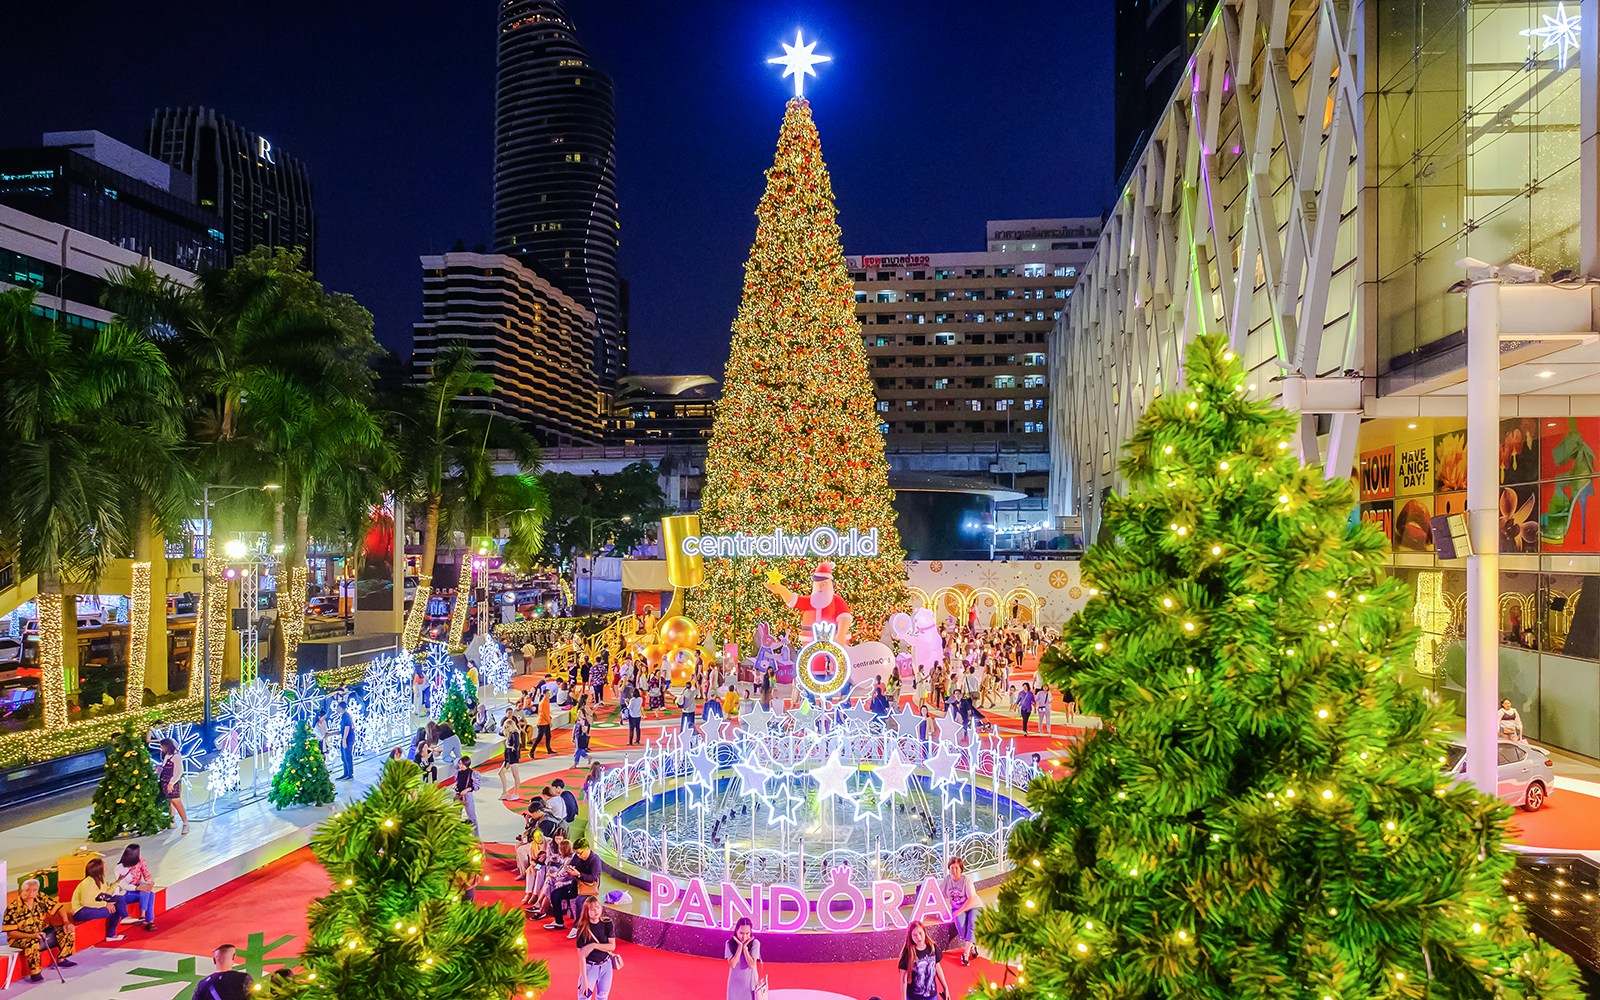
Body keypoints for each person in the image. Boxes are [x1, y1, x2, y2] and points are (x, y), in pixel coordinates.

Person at [3, 878, 77, 983]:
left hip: (42, 932)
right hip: (22, 938)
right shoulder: (13, 908)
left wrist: (66, 922)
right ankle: (35, 973)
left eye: (34, 890)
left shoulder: (40, 898)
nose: (31, 893)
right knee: (32, 943)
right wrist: (32, 936)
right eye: (27, 890)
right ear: (21, 891)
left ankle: (62, 959)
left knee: (66, 930)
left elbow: (59, 907)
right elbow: (11, 933)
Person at [546, 838, 601, 936]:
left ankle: (577, 926)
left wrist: (578, 874)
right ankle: (559, 921)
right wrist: (569, 870)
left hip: (588, 888)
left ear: (587, 848)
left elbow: (592, 878)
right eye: (577, 853)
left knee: (579, 901)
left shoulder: (595, 860)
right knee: (555, 894)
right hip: (575, 885)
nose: (579, 855)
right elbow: (572, 864)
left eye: (580, 853)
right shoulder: (577, 857)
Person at [72, 857, 128, 941]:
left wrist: (117, 882)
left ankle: (125, 918)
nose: (105, 865)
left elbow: (105, 895)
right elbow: (85, 902)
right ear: (99, 868)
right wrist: (105, 904)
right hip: (81, 911)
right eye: (103, 863)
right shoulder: (88, 882)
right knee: (114, 909)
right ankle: (111, 935)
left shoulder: (101, 880)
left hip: (92, 905)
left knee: (118, 899)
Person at [574, 895, 619, 999]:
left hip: (606, 965)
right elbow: (582, 956)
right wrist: (584, 979)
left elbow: (612, 946)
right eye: (592, 909)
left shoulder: (607, 923)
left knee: (603, 996)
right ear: (586, 911)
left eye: (598, 907)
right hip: (590, 967)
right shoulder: (583, 929)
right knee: (584, 996)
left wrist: (593, 946)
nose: (596, 911)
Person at [898, 920, 948, 1000]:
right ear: (910, 937)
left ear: (924, 932)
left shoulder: (933, 948)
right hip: (914, 997)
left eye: (920, 933)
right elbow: (903, 979)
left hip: (932, 995)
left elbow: (938, 968)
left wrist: (945, 988)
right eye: (915, 935)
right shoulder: (908, 953)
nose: (919, 937)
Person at [943, 858, 980, 965]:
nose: (954, 870)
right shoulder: (947, 879)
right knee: (961, 927)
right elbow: (939, 892)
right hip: (957, 908)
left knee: (972, 924)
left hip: (973, 906)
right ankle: (972, 945)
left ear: (961, 869)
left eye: (956, 868)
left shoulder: (966, 880)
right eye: (952, 868)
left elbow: (972, 898)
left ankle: (966, 954)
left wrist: (961, 911)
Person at [114, 843, 157, 931]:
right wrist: (137, 888)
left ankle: (144, 917)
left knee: (148, 892)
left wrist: (150, 883)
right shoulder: (120, 868)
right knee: (147, 893)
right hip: (125, 892)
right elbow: (123, 885)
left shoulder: (141, 861)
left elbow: (146, 874)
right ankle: (148, 920)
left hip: (137, 887)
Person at [157, 737, 190, 834]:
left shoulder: (176, 756)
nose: (161, 748)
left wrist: (172, 782)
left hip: (172, 782)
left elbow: (179, 771)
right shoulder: (167, 755)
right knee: (170, 802)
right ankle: (171, 821)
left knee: (176, 801)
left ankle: (185, 823)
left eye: (162, 746)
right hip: (165, 780)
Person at [725, 916, 763, 1000]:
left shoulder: (755, 943)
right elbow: (733, 964)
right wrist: (740, 947)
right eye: (741, 933)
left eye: (747, 933)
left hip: (750, 984)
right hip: (734, 984)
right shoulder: (729, 943)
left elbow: (751, 964)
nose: (744, 937)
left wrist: (745, 948)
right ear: (736, 931)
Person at [499, 713, 525, 800]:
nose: (506, 728)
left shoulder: (515, 734)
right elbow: (500, 733)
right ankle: (504, 792)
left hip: (513, 758)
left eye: (508, 727)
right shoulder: (509, 735)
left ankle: (516, 793)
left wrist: (509, 761)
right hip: (508, 758)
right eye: (505, 727)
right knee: (501, 772)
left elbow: (516, 747)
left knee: (515, 775)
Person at [455, 756, 481, 837]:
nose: (460, 766)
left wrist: (467, 790)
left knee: (471, 816)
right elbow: (458, 782)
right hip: (458, 795)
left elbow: (476, 787)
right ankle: (457, 834)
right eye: (460, 764)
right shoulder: (458, 773)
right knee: (456, 815)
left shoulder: (472, 773)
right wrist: (456, 786)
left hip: (467, 796)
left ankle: (476, 836)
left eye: (462, 764)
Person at [338, 702, 356, 780]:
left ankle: (350, 774)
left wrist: (344, 739)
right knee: (344, 756)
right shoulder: (344, 716)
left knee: (347, 755)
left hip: (348, 739)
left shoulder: (346, 716)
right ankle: (346, 773)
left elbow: (347, 727)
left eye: (337, 707)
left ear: (340, 707)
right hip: (345, 737)